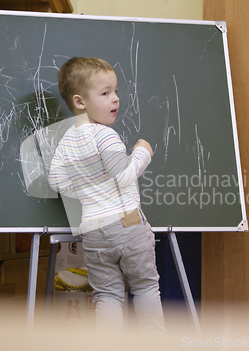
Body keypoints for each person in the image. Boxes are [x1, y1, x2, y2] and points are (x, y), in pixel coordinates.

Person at [48, 57, 165, 334]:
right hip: (126, 224)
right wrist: (143, 152)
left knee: (108, 295)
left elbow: (57, 182)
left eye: (115, 91)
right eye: (105, 93)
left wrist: (89, 189)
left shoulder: (66, 141)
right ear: (80, 102)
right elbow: (124, 175)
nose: (116, 99)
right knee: (145, 286)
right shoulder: (106, 136)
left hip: (92, 232)